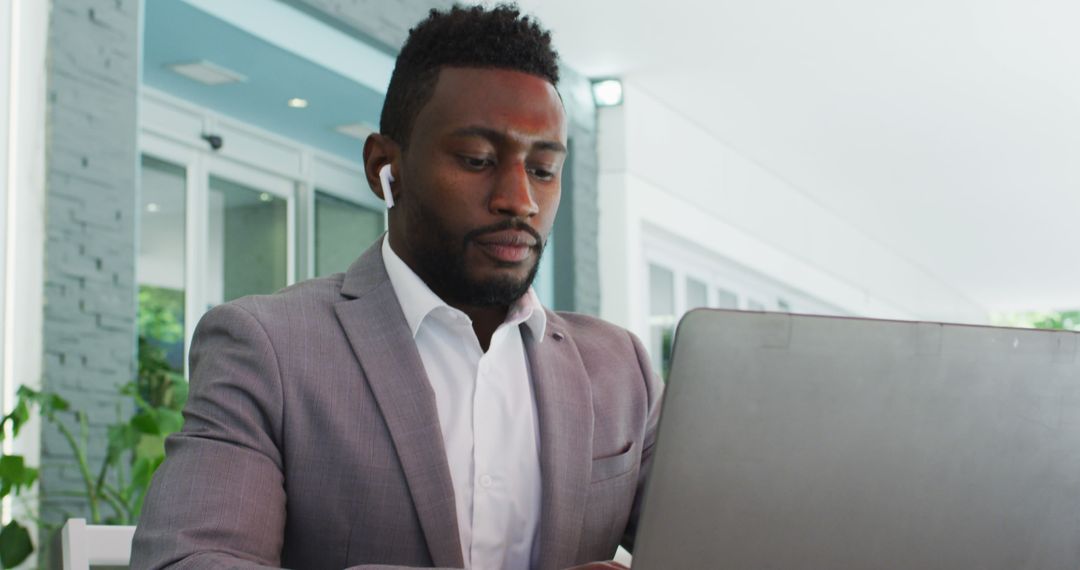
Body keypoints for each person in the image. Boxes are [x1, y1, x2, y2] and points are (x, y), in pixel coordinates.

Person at [131, 4, 662, 569]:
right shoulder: (267, 349)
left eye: (542, 170)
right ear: (385, 167)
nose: (519, 199)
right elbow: (186, 562)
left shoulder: (620, 368)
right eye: (477, 159)